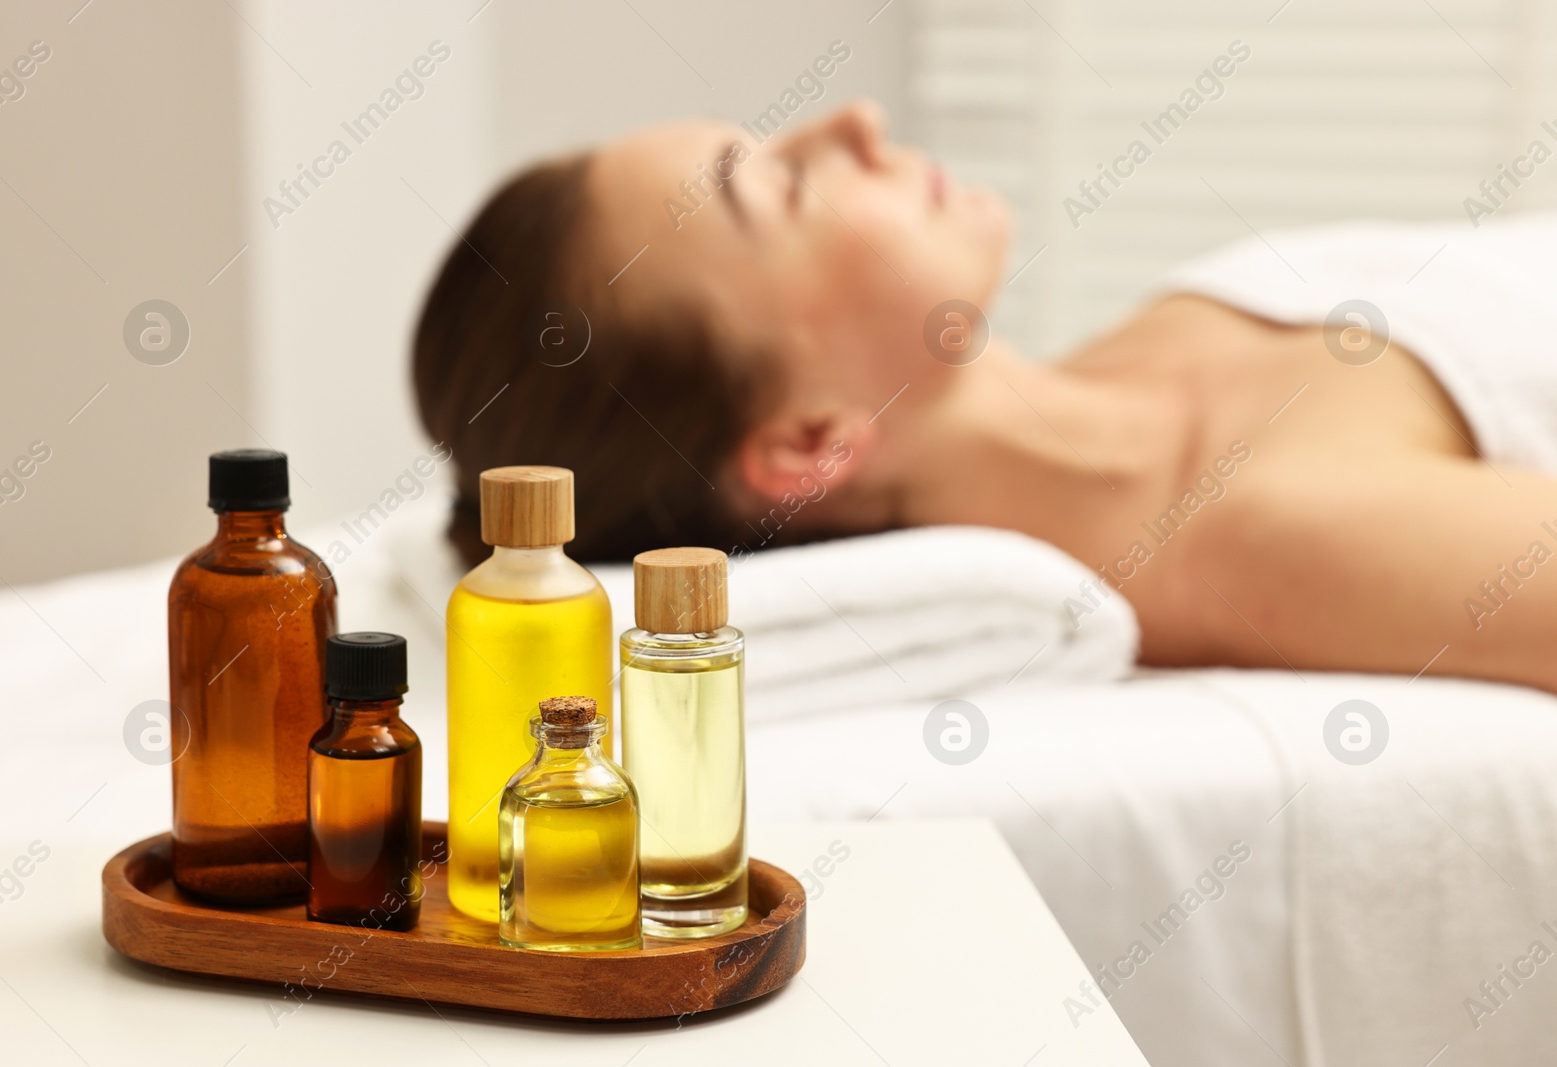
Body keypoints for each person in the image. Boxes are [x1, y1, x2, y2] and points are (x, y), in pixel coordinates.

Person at [413, 99, 1557, 693]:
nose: (853, 119)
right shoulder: (1267, 538)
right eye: (785, 184)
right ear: (809, 443)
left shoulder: (1158, 337)